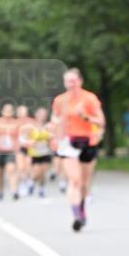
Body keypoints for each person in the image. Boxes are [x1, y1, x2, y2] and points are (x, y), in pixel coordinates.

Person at [50, 68, 104, 232]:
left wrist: (85, 117)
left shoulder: (90, 98)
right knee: (74, 180)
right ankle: (76, 216)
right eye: (67, 81)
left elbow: (101, 122)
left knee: (84, 184)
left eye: (73, 81)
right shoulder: (60, 100)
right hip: (69, 142)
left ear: (80, 81)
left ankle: (82, 210)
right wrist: (55, 136)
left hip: (88, 141)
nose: (71, 84)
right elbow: (56, 121)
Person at [0, 103, 20, 200]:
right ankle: (0, 191)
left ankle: (14, 191)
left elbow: (19, 137)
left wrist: (17, 146)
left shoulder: (16, 123)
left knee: (11, 170)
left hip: (11, 151)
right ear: (2, 111)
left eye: (10, 110)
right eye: (6, 110)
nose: (8, 112)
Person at [27, 107, 54, 198]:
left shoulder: (48, 126)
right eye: (41, 114)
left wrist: (50, 138)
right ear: (36, 115)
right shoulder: (31, 126)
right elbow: (26, 139)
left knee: (43, 173)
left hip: (45, 152)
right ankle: (31, 182)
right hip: (35, 153)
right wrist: (32, 142)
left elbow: (53, 137)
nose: (42, 116)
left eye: (44, 115)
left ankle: (41, 189)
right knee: (37, 173)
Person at [16, 105, 35, 196]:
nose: (22, 114)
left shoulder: (31, 122)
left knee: (28, 167)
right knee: (20, 167)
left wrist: (32, 141)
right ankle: (23, 185)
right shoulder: (15, 123)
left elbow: (36, 133)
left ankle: (29, 181)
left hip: (30, 147)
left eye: (24, 112)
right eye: (20, 112)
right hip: (19, 147)